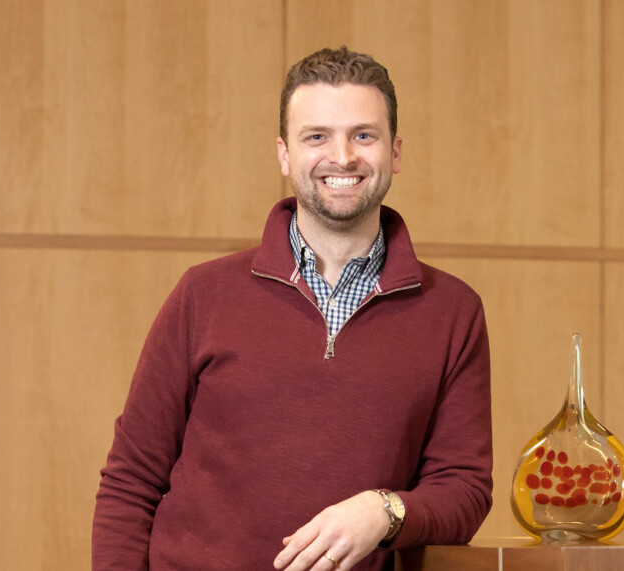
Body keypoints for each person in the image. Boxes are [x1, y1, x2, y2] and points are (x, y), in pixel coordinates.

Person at [93, 46, 493, 571]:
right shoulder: (203, 295)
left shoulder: (453, 311)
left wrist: (385, 511)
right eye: (317, 136)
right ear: (285, 154)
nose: (343, 157)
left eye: (363, 135)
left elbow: (464, 489)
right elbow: (131, 479)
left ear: (395, 152)